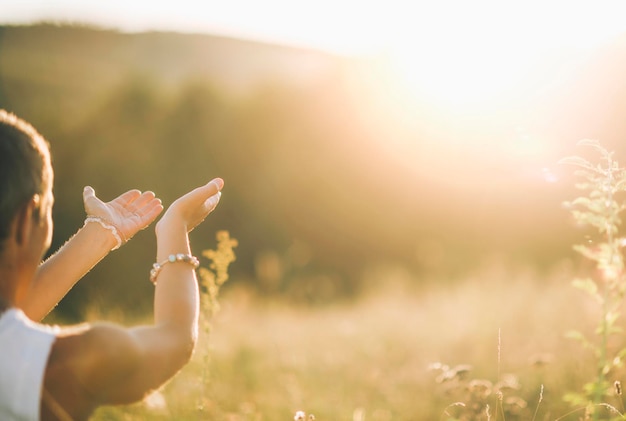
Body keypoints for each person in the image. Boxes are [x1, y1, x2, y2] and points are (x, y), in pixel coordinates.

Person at [0, 109, 224, 420]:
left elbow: (10, 314)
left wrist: (102, 233)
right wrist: (175, 227)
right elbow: (175, 340)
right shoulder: (55, 366)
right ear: (27, 219)